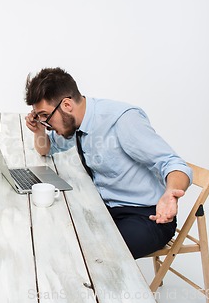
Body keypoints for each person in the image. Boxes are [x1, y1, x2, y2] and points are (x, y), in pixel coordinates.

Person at [24, 67, 192, 259]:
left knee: (95, 256)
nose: (46, 124)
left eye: (45, 116)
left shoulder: (122, 120)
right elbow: (47, 149)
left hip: (148, 216)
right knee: (55, 234)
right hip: (107, 210)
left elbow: (173, 163)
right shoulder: (75, 122)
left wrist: (170, 194)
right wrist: (39, 130)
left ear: (67, 105)